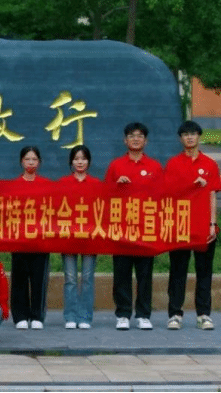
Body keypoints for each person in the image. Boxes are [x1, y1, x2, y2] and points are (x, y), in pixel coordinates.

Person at [105, 122, 163, 330]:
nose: (135, 139)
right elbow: (104, 195)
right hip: (122, 229)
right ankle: (123, 313)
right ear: (125, 140)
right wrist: (116, 185)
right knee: (121, 273)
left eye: (139, 136)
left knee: (145, 274)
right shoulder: (116, 165)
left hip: (146, 229)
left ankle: (143, 314)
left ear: (145, 141)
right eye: (131, 136)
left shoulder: (155, 167)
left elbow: (163, 196)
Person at [164, 120, 220, 330]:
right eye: (185, 134)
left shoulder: (209, 164)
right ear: (180, 139)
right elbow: (167, 193)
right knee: (178, 271)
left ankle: (203, 314)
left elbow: (212, 194)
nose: (189, 137)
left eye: (193, 134)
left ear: (199, 136)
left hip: (203, 226)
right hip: (180, 226)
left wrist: (212, 224)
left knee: (204, 271)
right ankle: (175, 314)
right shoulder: (173, 164)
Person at [57, 145, 101, 330]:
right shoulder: (63, 183)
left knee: (88, 278)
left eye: (83, 158)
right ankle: (70, 316)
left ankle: (85, 317)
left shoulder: (96, 184)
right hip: (68, 237)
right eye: (76, 159)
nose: (80, 162)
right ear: (71, 162)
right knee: (70, 279)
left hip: (90, 238)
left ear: (89, 161)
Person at [11, 146, 51, 330]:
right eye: (27, 159)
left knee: (38, 279)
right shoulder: (14, 185)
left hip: (40, 240)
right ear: (21, 162)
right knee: (19, 278)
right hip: (19, 240)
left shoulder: (47, 184)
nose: (31, 163)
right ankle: (20, 315)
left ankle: (37, 316)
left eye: (34, 159)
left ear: (39, 162)